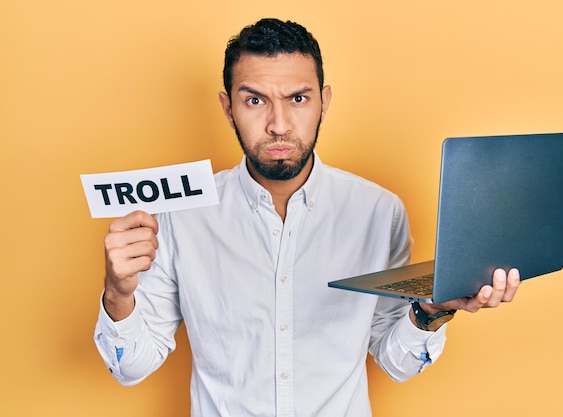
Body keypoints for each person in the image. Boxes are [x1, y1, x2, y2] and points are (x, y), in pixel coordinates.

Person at [94, 18, 520, 417]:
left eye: (297, 98)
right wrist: (118, 292)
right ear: (228, 108)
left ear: (323, 101)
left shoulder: (378, 211)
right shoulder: (179, 217)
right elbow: (130, 366)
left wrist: (434, 309)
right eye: (255, 100)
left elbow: (397, 364)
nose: (279, 125)